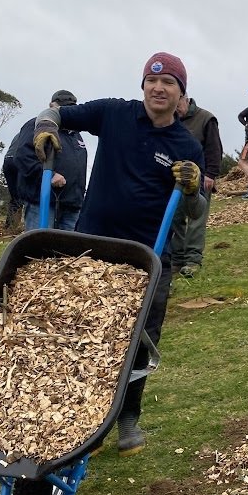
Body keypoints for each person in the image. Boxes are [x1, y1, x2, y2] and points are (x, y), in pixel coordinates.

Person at [32, 51, 204, 456]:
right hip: (92, 249)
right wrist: (44, 127)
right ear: (143, 85)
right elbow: (57, 113)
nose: (158, 88)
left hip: (149, 256)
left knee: (140, 339)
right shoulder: (113, 114)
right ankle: (83, 420)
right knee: (84, 333)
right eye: (152, 81)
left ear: (181, 95)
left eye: (169, 84)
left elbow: (195, 212)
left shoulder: (185, 145)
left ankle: (127, 417)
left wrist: (194, 188)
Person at [12, 90, 87, 231]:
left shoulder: (76, 135)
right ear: (52, 106)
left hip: (72, 206)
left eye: (70, 107)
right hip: (42, 203)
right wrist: (50, 176)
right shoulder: (36, 126)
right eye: (61, 107)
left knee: (69, 251)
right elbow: (23, 157)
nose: (65, 110)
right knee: (40, 249)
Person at [171, 94, 223, 277]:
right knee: (175, 218)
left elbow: (214, 148)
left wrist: (211, 174)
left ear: (185, 98)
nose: (175, 109)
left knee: (196, 220)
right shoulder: (170, 120)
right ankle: (176, 259)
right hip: (175, 180)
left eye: (177, 105)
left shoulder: (206, 119)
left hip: (200, 179)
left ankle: (192, 260)